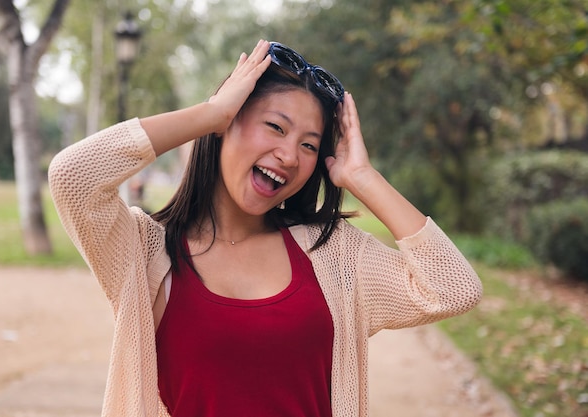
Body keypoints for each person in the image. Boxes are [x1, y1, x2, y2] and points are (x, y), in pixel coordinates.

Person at [49, 39, 482, 417]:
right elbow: (73, 176)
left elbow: (453, 288)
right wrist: (209, 113)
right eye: (275, 127)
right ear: (226, 125)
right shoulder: (143, 253)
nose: (290, 155)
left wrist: (362, 177)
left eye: (309, 145)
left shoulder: (334, 255)